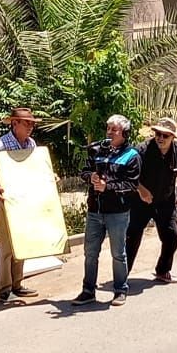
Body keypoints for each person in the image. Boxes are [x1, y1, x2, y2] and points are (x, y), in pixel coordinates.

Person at [72, 114, 141, 307]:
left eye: (114, 130)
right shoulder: (96, 150)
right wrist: (92, 176)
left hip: (118, 213)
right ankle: (88, 291)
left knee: (118, 253)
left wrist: (107, 186)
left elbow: (132, 184)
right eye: (108, 128)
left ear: (124, 133)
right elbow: (84, 171)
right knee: (90, 252)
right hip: (95, 210)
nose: (109, 133)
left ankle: (120, 290)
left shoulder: (132, 155)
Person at [0, 107, 41, 303]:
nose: (31, 127)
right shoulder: (0, 145)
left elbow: (34, 169)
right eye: (27, 123)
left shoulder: (31, 144)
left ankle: (17, 285)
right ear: (14, 123)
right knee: (7, 246)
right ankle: (4, 290)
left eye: (32, 123)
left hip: (25, 199)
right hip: (7, 200)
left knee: (22, 242)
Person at [126, 117, 177, 283]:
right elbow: (129, 175)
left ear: (173, 137)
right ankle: (122, 276)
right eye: (158, 134)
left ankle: (163, 270)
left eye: (165, 135)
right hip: (141, 202)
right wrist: (141, 190)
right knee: (132, 238)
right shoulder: (142, 151)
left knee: (172, 236)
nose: (160, 138)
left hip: (165, 201)